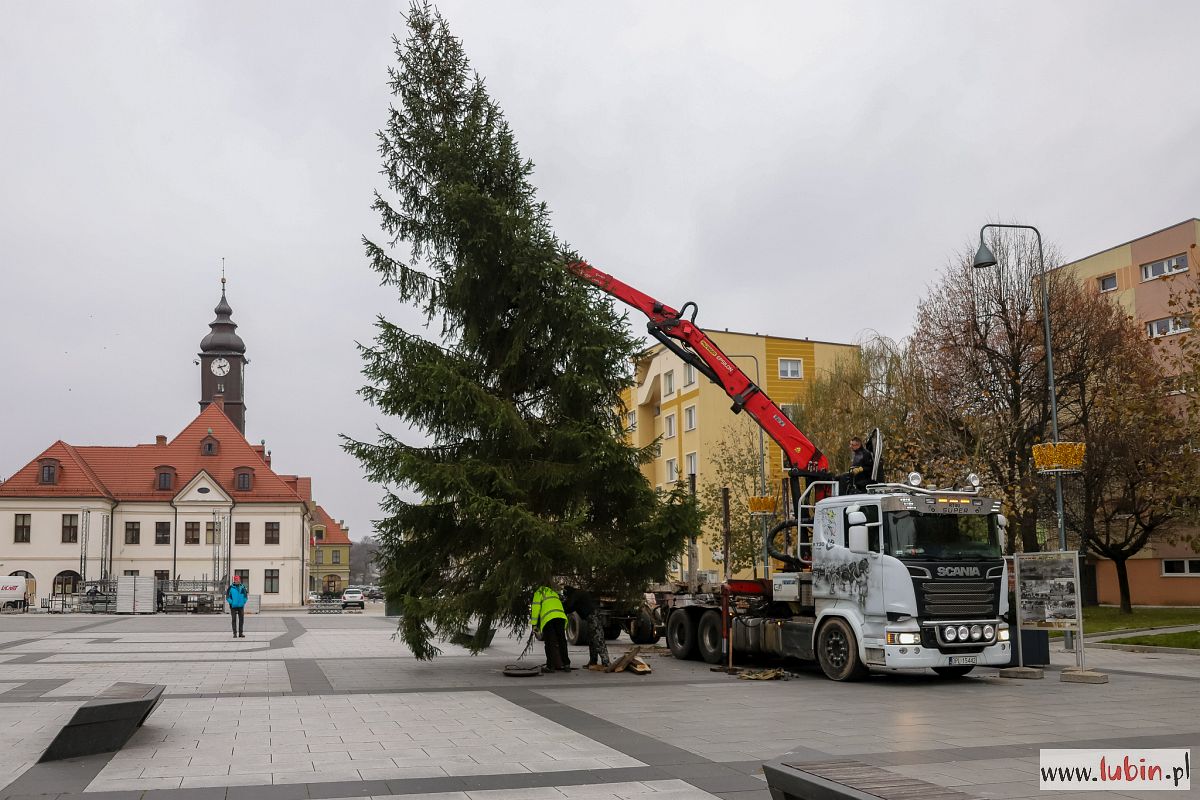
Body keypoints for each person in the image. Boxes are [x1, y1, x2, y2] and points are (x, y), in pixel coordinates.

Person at [563, 586, 610, 668]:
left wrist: (562, 604)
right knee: (592, 640)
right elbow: (571, 608)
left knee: (598, 639)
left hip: (593, 617)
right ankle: (593, 662)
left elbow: (569, 606)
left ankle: (606, 662)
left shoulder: (576, 594)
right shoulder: (578, 594)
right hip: (591, 617)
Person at [530, 584, 570, 672]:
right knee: (562, 641)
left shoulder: (538, 593)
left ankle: (550, 666)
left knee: (549, 642)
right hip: (560, 617)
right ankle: (566, 664)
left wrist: (534, 624)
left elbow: (535, 609)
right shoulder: (553, 592)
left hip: (549, 618)